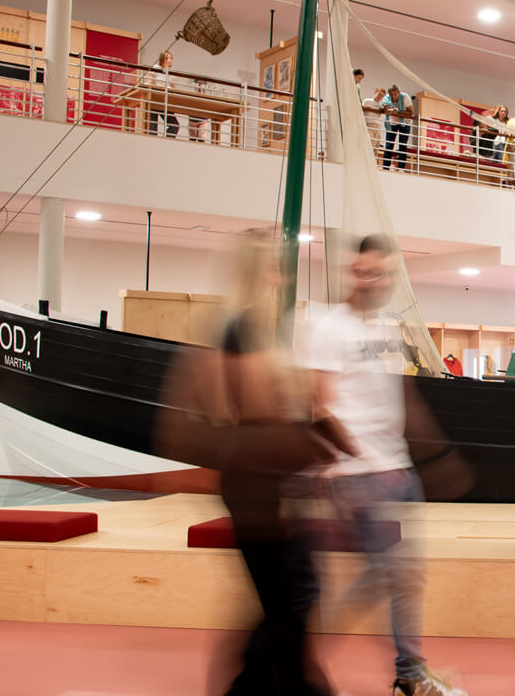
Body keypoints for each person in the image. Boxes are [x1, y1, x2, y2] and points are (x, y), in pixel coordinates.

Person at [155, 231, 342, 695]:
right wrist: (313, 427)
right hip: (257, 482)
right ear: (259, 272)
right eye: (276, 267)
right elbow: (260, 405)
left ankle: (268, 682)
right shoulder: (243, 328)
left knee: (289, 591)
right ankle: (266, 684)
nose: (283, 276)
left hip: (263, 479)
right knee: (290, 593)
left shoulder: (252, 328)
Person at [308, 234, 455, 696]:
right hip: (363, 478)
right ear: (354, 272)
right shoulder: (330, 328)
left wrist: (431, 455)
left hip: (397, 471)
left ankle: (406, 674)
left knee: (399, 576)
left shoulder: (385, 328)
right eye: (366, 271)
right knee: (395, 574)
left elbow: (398, 398)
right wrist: (365, 464)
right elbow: (319, 408)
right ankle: (406, 675)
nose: (374, 280)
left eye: (383, 273)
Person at [147, 50, 179, 138]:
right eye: (167, 58)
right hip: (154, 98)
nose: (169, 60)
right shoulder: (156, 68)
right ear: (162, 59)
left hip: (165, 100)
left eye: (170, 58)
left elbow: (174, 88)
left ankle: (166, 141)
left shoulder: (172, 73)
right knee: (152, 128)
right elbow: (149, 82)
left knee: (174, 125)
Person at [381, 84, 413, 172]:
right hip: (392, 123)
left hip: (405, 123)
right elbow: (386, 110)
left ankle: (401, 168)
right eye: (391, 94)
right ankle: (385, 167)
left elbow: (410, 112)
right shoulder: (386, 98)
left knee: (402, 145)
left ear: (399, 93)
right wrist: (392, 111)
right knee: (389, 145)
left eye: (395, 94)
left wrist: (398, 111)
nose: (393, 96)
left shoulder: (405, 97)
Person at [363, 86, 387, 150]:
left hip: (377, 126)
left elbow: (386, 111)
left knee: (376, 146)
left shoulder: (381, 105)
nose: (380, 97)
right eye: (379, 94)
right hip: (368, 124)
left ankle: (374, 159)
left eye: (382, 96)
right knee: (369, 143)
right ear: (375, 93)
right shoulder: (367, 101)